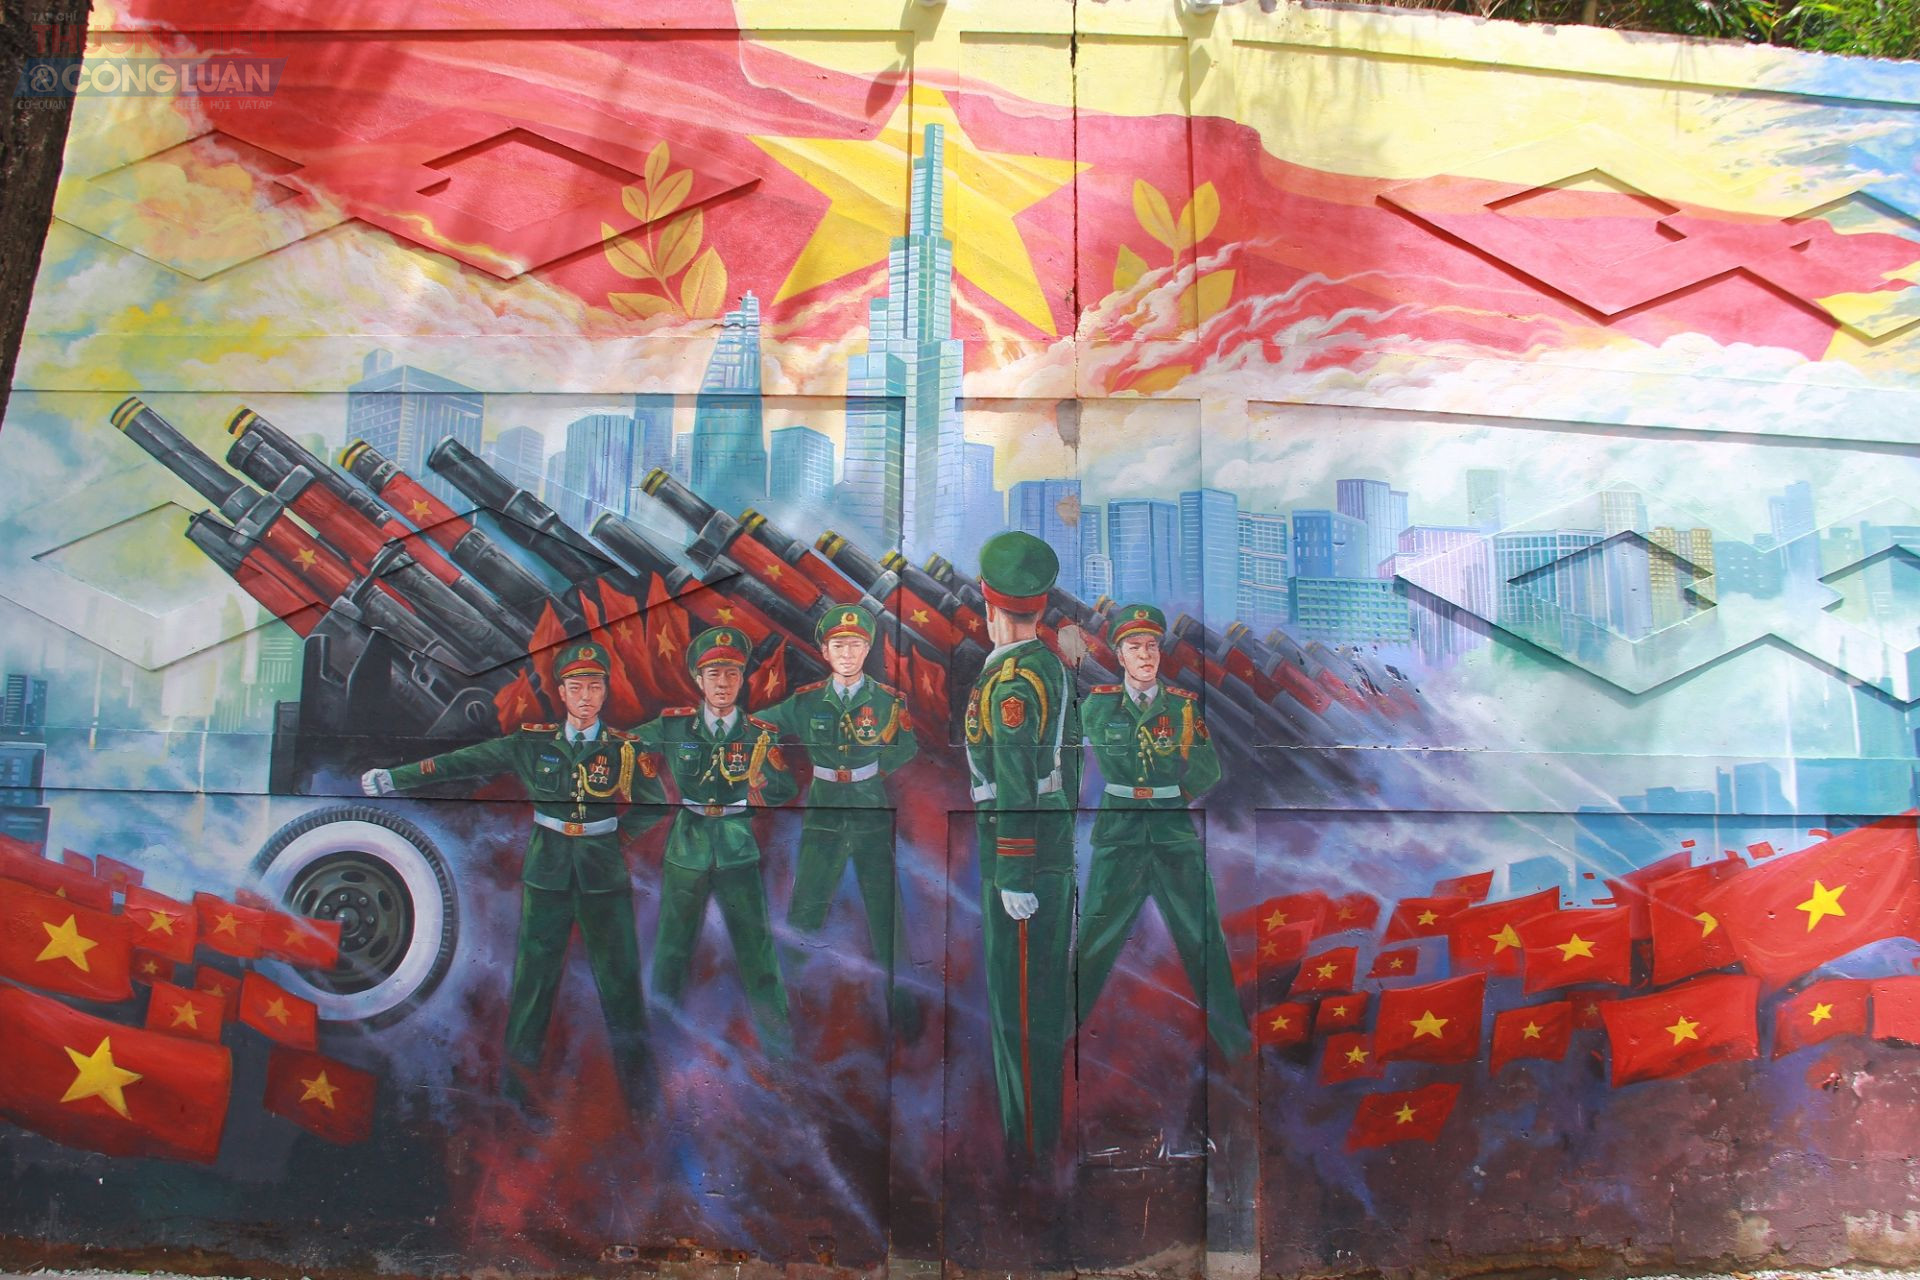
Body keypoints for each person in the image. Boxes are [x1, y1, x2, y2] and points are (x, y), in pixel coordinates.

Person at [361, 641, 661, 1116]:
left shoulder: (624, 749)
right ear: (562, 692)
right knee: (533, 986)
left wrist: (615, 838)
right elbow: (466, 761)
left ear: (605, 691)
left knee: (621, 986)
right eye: (577, 687)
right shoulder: (532, 744)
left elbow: (654, 803)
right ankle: (516, 1099)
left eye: (594, 686)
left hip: (602, 876)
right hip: (548, 874)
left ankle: (642, 1099)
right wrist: (395, 778)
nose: (586, 696)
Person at [1075, 604, 1251, 1060]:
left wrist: (1172, 796)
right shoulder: (1097, 706)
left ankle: (1235, 1047)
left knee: (1203, 939)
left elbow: (1208, 769)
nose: (1145, 655)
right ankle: (1057, 1034)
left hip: (1174, 836)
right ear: (1119, 655)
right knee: (1094, 941)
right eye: (1135, 647)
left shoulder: (1182, 707)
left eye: (1152, 646)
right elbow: (1068, 756)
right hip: (1119, 836)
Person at [964, 530, 1079, 1158]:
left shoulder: (1012, 681)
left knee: (1023, 1011)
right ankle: (1032, 1144)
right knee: (1032, 1007)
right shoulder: (1048, 665)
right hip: (1046, 842)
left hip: (1022, 856)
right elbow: (1068, 763)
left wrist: (1014, 871)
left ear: (991, 606)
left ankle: (1030, 1155)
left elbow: (1013, 777)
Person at [631, 626, 797, 1055]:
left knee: (757, 954)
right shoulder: (674, 726)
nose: (723, 683)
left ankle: (779, 1050)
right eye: (714, 674)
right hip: (687, 847)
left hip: (737, 849)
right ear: (698, 680)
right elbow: (625, 745)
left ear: (741, 680)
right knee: (671, 951)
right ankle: (656, 1042)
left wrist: (757, 793)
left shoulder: (758, 734)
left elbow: (783, 787)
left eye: (731, 674)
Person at [755, 606, 921, 1035]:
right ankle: (784, 1011)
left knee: (885, 911)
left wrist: (875, 771)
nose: (847, 653)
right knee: (806, 907)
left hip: (869, 807)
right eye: (838, 645)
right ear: (825, 652)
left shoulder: (887, 701)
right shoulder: (807, 701)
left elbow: (906, 746)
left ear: (867, 650)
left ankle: (904, 1011)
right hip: (824, 808)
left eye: (856, 645)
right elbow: (760, 724)